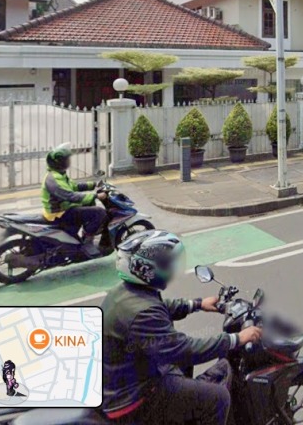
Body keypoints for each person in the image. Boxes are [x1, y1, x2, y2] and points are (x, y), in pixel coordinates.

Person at [102, 230, 262, 425]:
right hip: (134, 398)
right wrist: (236, 338)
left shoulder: (126, 292)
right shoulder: (142, 313)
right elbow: (184, 350)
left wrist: (197, 304)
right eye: (166, 264)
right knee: (218, 397)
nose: (171, 269)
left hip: (128, 375)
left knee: (185, 368)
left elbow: (159, 307)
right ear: (146, 269)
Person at [42, 144, 107, 257]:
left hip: (63, 208)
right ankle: (87, 243)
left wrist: (94, 184)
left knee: (88, 204)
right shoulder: (54, 179)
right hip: (59, 213)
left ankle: (83, 234)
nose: (69, 161)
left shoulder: (58, 174)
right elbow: (71, 196)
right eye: (66, 159)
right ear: (60, 162)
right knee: (99, 212)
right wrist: (95, 196)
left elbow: (74, 186)